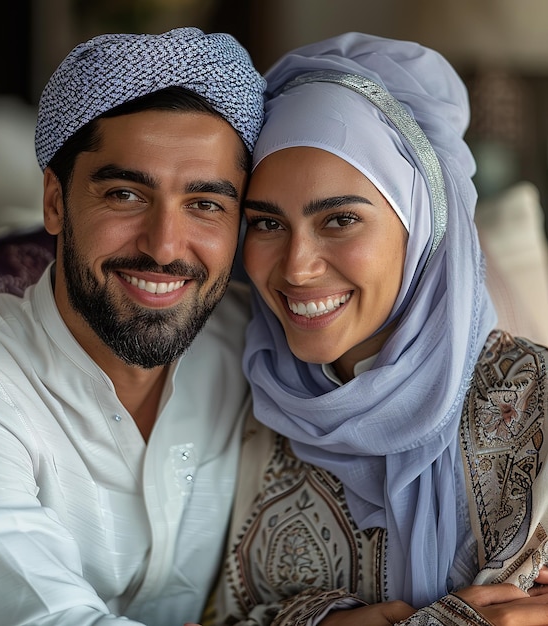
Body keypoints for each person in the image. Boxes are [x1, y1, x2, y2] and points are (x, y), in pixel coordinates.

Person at [0, 27, 265, 626]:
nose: (163, 247)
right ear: (55, 202)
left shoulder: (254, 345)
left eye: (206, 204)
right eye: (126, 194)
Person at [208, 32, 548, 625]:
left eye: (339, 219)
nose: (295, 267)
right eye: (267, 223)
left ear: (421, 228)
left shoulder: (538, 405)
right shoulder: (241, 405)